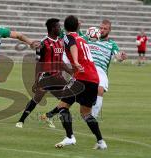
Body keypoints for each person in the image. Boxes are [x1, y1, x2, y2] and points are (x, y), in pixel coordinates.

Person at [43, 15, 107, 149]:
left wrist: (76, 61)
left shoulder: (69, 36)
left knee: (62, 107)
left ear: (65, 27)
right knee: (85, 114)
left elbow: (71, 45)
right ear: (78, 26)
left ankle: (70, 137)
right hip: (94, 79)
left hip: (82, 77)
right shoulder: (83, 39)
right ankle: (101, 141)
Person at [15, 18, 73, 129]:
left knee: (68, 99)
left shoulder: (60, 43)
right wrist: (36, 80)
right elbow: (38, 63)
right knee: (36, 99)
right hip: (46, 77)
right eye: (58, 27)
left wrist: (70, 71)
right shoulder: (43, 44)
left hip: (58, 77)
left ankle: (48, 116)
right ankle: (21, 121)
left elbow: (60, 62)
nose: (60, 29)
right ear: (52, 28)